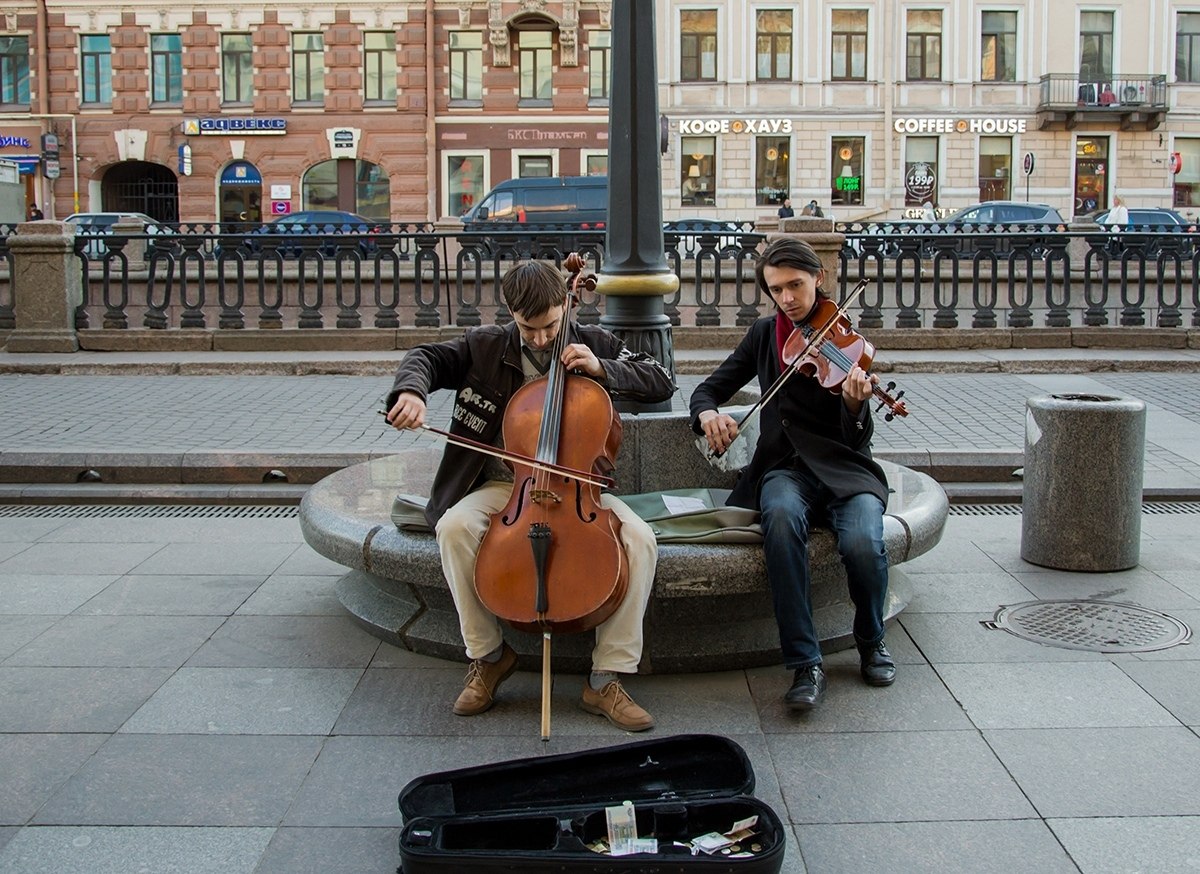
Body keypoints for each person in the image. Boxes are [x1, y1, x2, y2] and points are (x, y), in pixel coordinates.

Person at [384, 260, 674, 731]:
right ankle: (489, 656)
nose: (540, 339)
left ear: (567, 303)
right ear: (511, 313)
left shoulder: (594, 342)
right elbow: (426, 358)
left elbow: (661, 378)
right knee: (455, 527)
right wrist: (412, 392)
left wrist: (605, 367)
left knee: (640, 540)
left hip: (579, 487)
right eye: (528, 328)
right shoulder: (486, 346)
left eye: (550, 327)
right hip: (505, 487)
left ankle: (606, 678)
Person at [689, 237, 894, 712]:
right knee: (779, 522)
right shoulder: (765, 335)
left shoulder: (847, 343)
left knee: (864, 541)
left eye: (795, 285)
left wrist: (854, 402)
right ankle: (805, 661)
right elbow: (707, 389)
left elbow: (856, 441)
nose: (786, 298)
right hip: (785, 469)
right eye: (776, 289)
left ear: (818, 279)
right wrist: (708, 415)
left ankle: (871, 639)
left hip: (845, 469)